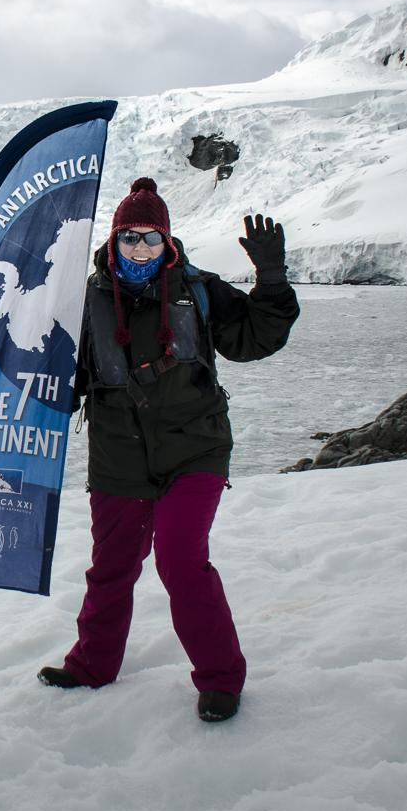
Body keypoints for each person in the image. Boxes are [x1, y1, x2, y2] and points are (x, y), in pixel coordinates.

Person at [37, 177, 299, 723]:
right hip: (118, 457)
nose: (139, 249)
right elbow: (64, 385)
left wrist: (271, 279)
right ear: (112, 242)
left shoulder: (199, 289)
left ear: (168, 243)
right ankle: (92, 665)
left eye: (150, 238)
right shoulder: (83, 302)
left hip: (194, 448)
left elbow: (253, 339)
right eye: (129, 237)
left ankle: (221, 678)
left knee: (180, 562)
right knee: (111, 567)